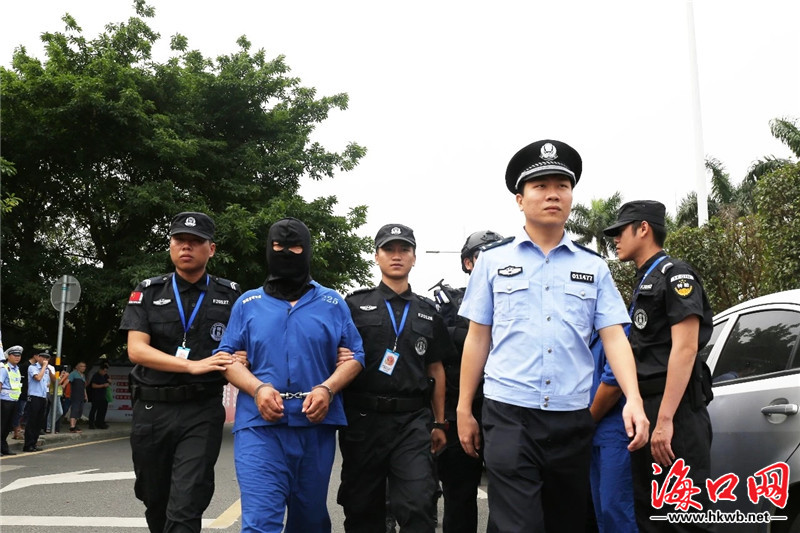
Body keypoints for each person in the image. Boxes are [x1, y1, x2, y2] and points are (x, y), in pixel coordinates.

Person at [457, 139, 650, 533]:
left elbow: (614, 337)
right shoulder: (494, 262)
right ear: (520, 198)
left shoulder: (593, 267)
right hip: (509, 413)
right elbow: (477, 338)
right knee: (521, 525)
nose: (552, 195)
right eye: (540, 186)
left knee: (565, 522)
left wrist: (633, 398)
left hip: (572, 418)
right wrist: (463, 408)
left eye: (561, 185)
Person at [216, 217, 366, 533]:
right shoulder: (248, 303)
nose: (287, 253)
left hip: (316, 427)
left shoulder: (332, 302)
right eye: (278, 247)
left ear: (308, 250)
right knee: (260, 522)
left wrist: (328, 388)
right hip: (259, 428)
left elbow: (356, 357)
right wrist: (257, 388)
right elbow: (226, 358)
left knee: (310, 521)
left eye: (295, 246)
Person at [120, 211, 243, 533]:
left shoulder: (231, 296)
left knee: (187, 502)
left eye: (195, 242)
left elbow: (245, 349)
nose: (186, 247)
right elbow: (137, 350)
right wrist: (192, 364)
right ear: (171, 246)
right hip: (151, 409)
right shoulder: (148, 292)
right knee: (154, 497)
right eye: (179, 241)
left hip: (200, 409)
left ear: (211, 249)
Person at [603, 200, 714, 531]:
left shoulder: (675, 275)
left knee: (684, 516)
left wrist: (664, 420)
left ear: (643, 228)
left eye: (620, 231)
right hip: (648, 410)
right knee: (651, 515)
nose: (615, 241)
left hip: (675, 411)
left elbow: (685, 348)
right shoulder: (645, 279)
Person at [338, 223, 456, 533]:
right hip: (363, 420)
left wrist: (439, 422)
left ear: (414, 257)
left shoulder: (428, 313)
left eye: (404, 249)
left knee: (418, 503)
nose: (397, 255)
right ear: (376, 256)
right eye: (389, 249)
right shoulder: (354, 306)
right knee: (362, 509)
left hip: (412, 422)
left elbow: (436, 370)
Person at [432, 230, 505, 533]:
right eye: (482, 256)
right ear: (467, 263)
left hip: (504, 414)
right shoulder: (446, 306)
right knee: (459, 500)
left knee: (508, 501)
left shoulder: (516, 304)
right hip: (456, 413)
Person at [24, 350, 55, 452]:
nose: (45, 360)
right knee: (32, 421)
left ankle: (34, 443)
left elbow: (53, 381)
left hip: (43, 397)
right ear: (38, 358)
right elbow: (38, 378)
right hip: (34, 397)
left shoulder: (46, 369)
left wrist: (49, 370)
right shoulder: (32, 367)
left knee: (39, 422)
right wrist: (43, 368)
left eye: (47, 358)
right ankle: (28, 444)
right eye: (43, 357)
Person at [1, 346, 24, 455]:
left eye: (19, 356)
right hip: (4, 401)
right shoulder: (4, 369)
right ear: (8, 356)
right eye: (14, 355)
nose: (17, 357)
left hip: (14, 401)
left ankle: (3, 447)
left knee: (8, 426)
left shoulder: (17, 369)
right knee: (2, 425)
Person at [88, 363, 110, 429]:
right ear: (100, 370)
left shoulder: (105, 376)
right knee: (94, 410)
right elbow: (93, 385)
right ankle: (91, 424)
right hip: (96, 396)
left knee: (102, 410)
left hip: (103, 396)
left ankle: (100, 423)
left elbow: (108, 381)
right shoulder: (96, 376)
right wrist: (103, 385)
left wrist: (109, 381)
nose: (105, 372)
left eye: (106, 371)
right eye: (104, 371)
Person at [67, 361, 88, 432]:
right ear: (77, 367)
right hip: (75, 395)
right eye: (81, 366)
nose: (83, 368)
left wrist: (86, 395)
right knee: (74, 410)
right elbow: (68, 381)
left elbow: (84, 387)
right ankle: (72, 426)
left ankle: (75, 425)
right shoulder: (73, 374)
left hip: (81, 395)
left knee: (79, 411)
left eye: (84, 366)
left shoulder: (83, 375)